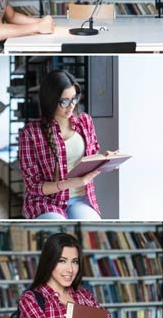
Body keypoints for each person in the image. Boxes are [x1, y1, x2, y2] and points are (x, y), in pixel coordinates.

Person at [18, 68, 107, 221]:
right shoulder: (30, 133)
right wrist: (71, 183)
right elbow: (33, 186)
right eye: (64, 101)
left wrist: (106, 161)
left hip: (81, 198)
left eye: (74, 98)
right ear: (50, 100)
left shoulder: (85, 121)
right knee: (56, 226)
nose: (71, 105)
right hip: (46, 201)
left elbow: (92, 156)